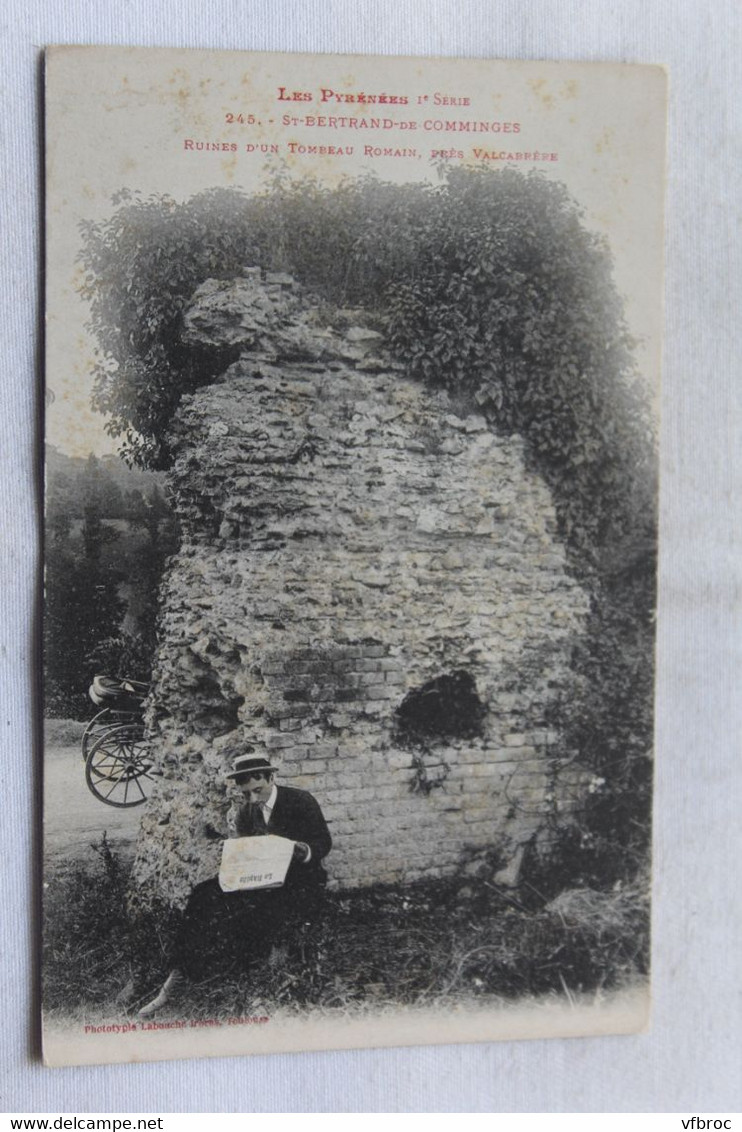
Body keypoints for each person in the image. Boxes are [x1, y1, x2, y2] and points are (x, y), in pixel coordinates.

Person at [138, 752, 332, 1016]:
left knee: (269, 910)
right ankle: (175, 980)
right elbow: (246, 852)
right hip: (260, 878)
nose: (253, 798)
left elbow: (323, 842)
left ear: (271, 778)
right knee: (203, 895)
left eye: (258, 790)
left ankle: (264, 985)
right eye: (246, 793)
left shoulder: (300, 801)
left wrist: (302, 850)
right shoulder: (246, 811)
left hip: (299, 879)